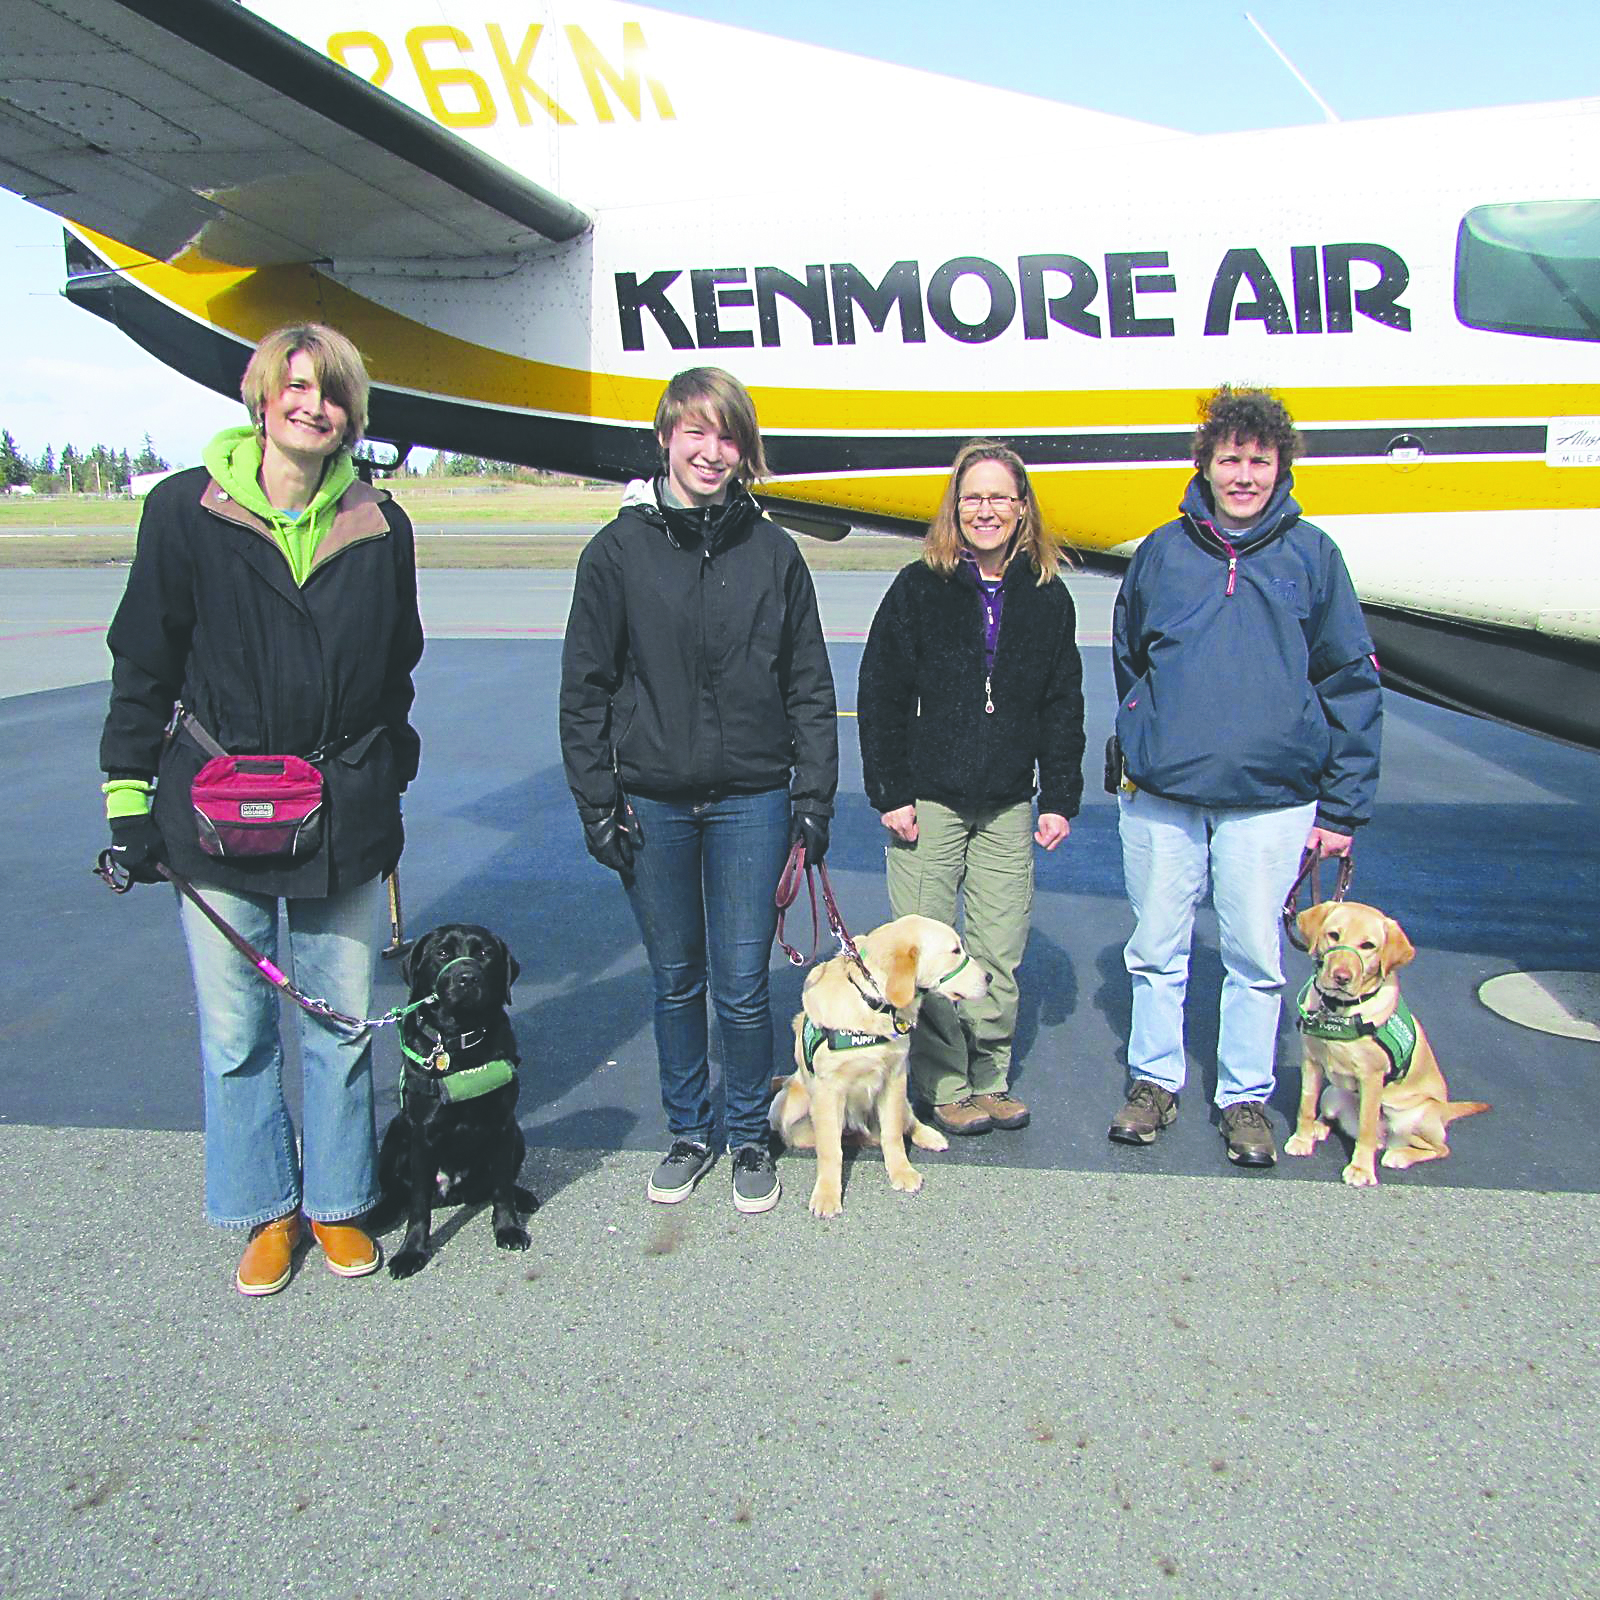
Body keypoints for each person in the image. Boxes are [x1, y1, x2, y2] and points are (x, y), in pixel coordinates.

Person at [100, 322, 423, 1294]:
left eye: (330, 391)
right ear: (261, 397)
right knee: (236, 1031)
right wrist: (127, 798)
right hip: (212, 810)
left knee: (340, 1019)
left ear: (349, 412)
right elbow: (144, 660)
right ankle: (265, 1210)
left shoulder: (381, 523)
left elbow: (396, 667)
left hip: (344, 812)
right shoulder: (181, 510)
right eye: (295, 387)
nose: (311, 404)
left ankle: (336, 1202)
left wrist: (389, 775)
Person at [559, 367, 838, 1214]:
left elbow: (810, 686)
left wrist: (814, 797)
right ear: (665, 438)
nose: (712, 453)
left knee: (743, 982)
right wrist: (598, 803)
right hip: (654, 800)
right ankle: (690, 1129)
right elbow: (585, 688)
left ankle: (749, 1132)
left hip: (753, 798)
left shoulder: (775, 552)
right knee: (676, 978)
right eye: (696, 434)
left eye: (727, 437)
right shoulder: (616, 551)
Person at [1109, 384, 1382, 1166]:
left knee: (1256, 957)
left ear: (1280, 467)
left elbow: (1350, 682)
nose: (1245, 475)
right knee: (1155, 949)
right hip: (1164, 794)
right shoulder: (1164, 550)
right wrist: (1145, 739)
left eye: (1259, 461)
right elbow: (1132, 659)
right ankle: (1153, 1082)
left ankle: (1244, 1098)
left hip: (1273, 800)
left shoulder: (1313, 555)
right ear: (1206, 464)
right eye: (1230, 459)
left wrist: (1343, 807)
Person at [857, 441, 1085, 1135]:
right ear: (955, 509)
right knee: (924, 952)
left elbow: (1062, 703)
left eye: (1000, 498)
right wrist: (891, 790)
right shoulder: (918, 587)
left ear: (1023, 508)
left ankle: (990, 1075)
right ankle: (945, 1083)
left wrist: (1060, 798)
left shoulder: (1048, 596)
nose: (986, 511)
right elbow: (880, 693)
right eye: (973, 498)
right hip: (929, 796)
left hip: (1009, 801)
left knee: (997, 950)